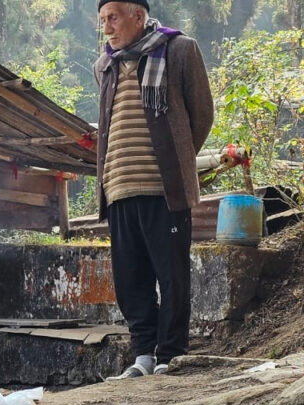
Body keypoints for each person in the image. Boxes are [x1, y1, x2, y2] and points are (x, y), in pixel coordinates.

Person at [95, 0, 213, 379]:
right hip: (118, 187)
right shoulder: (105, 65)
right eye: (103, 20)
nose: (107, 28)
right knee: (131, 280)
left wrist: (177, 160)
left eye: (113, 18)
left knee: (172, 276)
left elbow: (202, 115)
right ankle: (143, 355)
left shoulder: (179, 50)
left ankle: (170, 355)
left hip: (165, 190)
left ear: (138, 16)